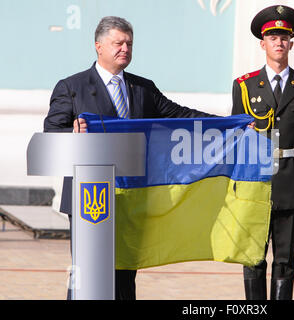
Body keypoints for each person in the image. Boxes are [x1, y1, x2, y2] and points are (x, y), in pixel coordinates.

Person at [43, 16, 214, 300]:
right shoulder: (72, 87)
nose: (125, 48)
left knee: (124, 274)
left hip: (132, 196)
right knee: (89, 274)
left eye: (129, 43)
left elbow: (180, 115)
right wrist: (71, 133)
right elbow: (52, 133)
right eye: (118, 43)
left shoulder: (142, 88)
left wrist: (231, 124)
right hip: (91, 199)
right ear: (98, 46)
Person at [231, 5, 294, 300]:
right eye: (272, 37)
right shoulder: (244, 86)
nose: (279, 43)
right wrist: (235, 185)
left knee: (285, 260)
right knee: (254, 258)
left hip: (292, 182)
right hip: (255, 184)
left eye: (284, 37)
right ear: (262, 43)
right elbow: (237, 139)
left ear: (291, 43)